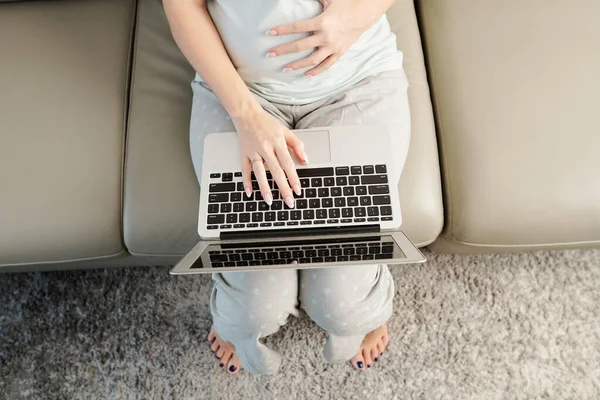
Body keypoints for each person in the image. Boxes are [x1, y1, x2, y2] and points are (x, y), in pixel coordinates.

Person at [163, 0, 410, 375]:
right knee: (251, 311)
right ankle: (242, 326)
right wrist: (245, 115)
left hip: (358, 80)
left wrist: (355, 17)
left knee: (344, 308)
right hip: (239, 92)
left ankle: (363, 313)